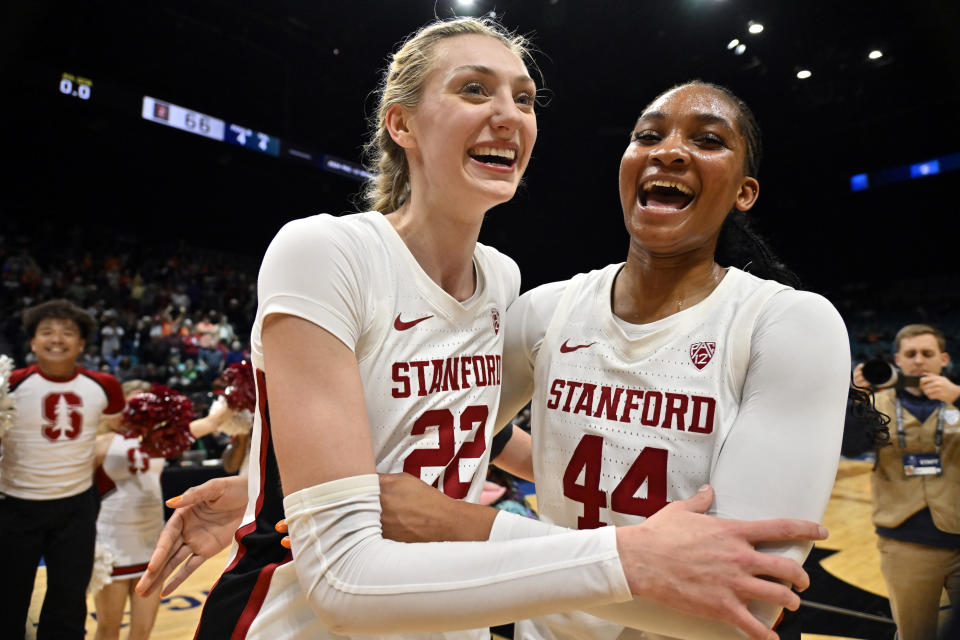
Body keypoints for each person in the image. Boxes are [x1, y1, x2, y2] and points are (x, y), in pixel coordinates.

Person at [136, 18, 827, 640]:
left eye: (524, 99)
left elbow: (462, 429)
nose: (508, 115)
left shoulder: (502, 282)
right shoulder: (330, 250)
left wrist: (279, 488)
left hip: (447, 617)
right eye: (475, 90)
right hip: (309, 619)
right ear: (401, 124)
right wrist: (278, 492)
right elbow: (345, 573)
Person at [377, 80, 858, 639]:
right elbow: (441, 429)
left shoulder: (787, 323)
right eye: (647, 136)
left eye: (707, 141)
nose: (669, 150)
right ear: (626, 167)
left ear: (744, 193)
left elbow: (740, 611)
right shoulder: (545, 311)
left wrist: (463, 527)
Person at [0, 299, 125, 639]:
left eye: (68, 333)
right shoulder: (9, 384)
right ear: (32, 342)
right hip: (15, 507)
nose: (57, 339)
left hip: (75, 507)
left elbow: (113, 430)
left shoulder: (105, 386)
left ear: (81, 343)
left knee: (69, 604)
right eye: (47, 332)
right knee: (7, 603)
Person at [853, 324, 960, 640]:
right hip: (905, 543)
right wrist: (859, 397)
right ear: (897, 359)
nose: (918, 360)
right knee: (915, 634)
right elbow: (849, 445)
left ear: (943, 359)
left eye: (927, 353)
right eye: (910, 354)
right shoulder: (878, 402)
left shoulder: (958, 399)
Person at [91, 380, 166, 640]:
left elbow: (207, 426)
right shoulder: (102, 441)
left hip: (152, 543)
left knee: (142, 631)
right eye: (134, 405)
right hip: (114, 544)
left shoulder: (162, 439)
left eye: (147, 404)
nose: (140, 411)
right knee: (108, 629)